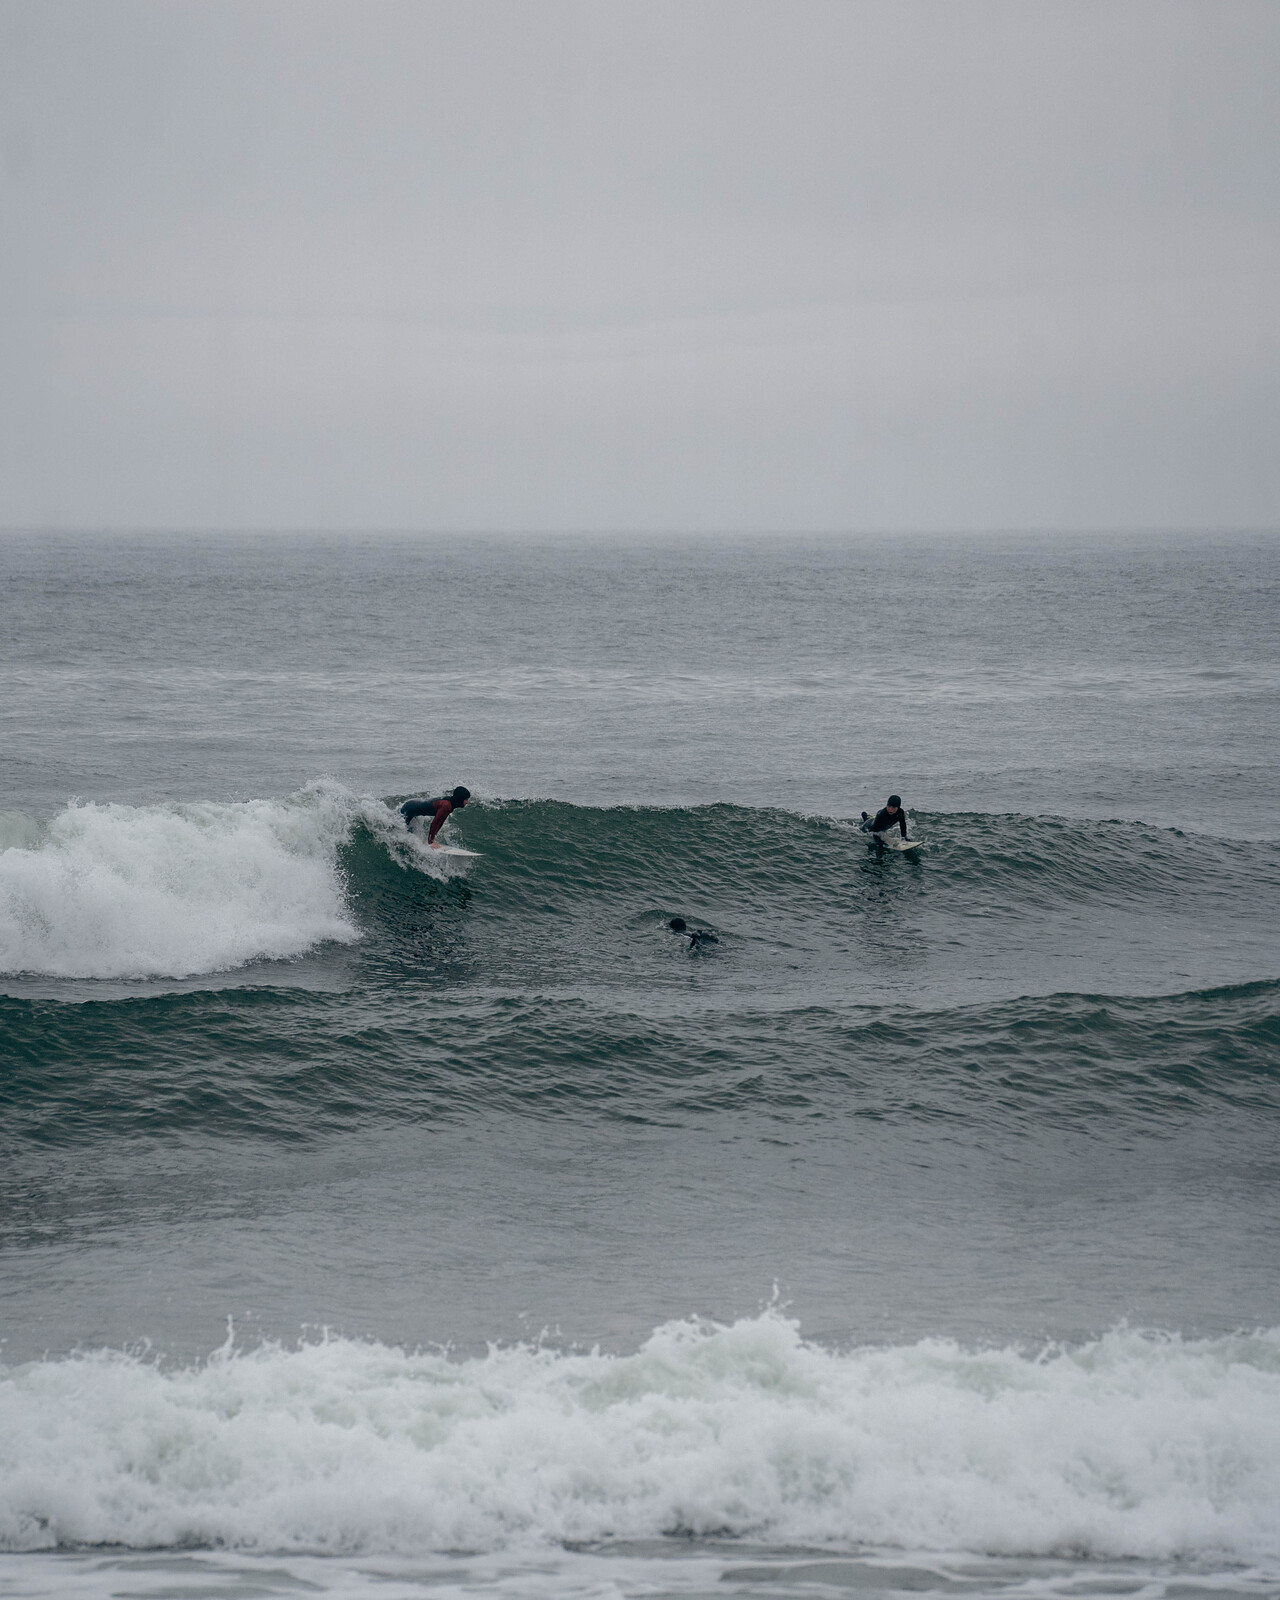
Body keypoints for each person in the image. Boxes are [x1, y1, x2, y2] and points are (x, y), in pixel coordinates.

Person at [401, 786, 470, 847]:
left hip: (415, 805)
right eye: (466, 799)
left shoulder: (451, 805)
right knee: (402, 831)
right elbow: (434, 823)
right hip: (410, 808)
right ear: (460, 799)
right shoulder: (446, 805)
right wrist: (431, 842)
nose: (467, 802)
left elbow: (440, 822)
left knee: (409, 832)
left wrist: (433, 838)